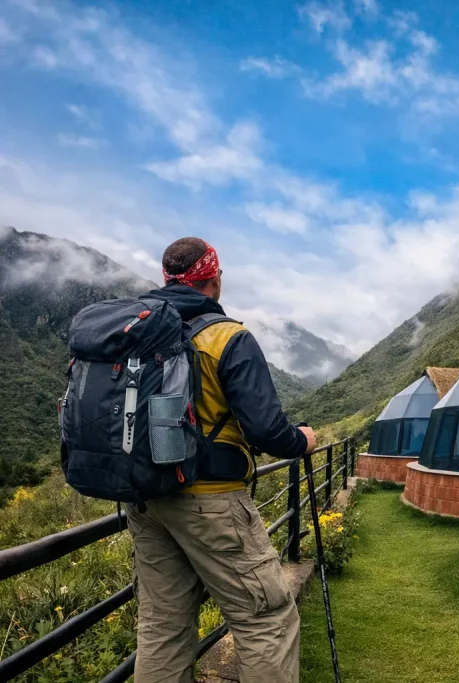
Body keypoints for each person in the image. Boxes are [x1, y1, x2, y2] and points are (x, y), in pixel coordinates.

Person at [126, 237, 316, 683]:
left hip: (145, 499)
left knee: (162, 626)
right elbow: (267, 430)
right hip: (210, 501)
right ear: (213, 280)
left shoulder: (137, 333)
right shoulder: (227, 336)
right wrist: (302, 441)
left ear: (167, 279)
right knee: (265, 620)